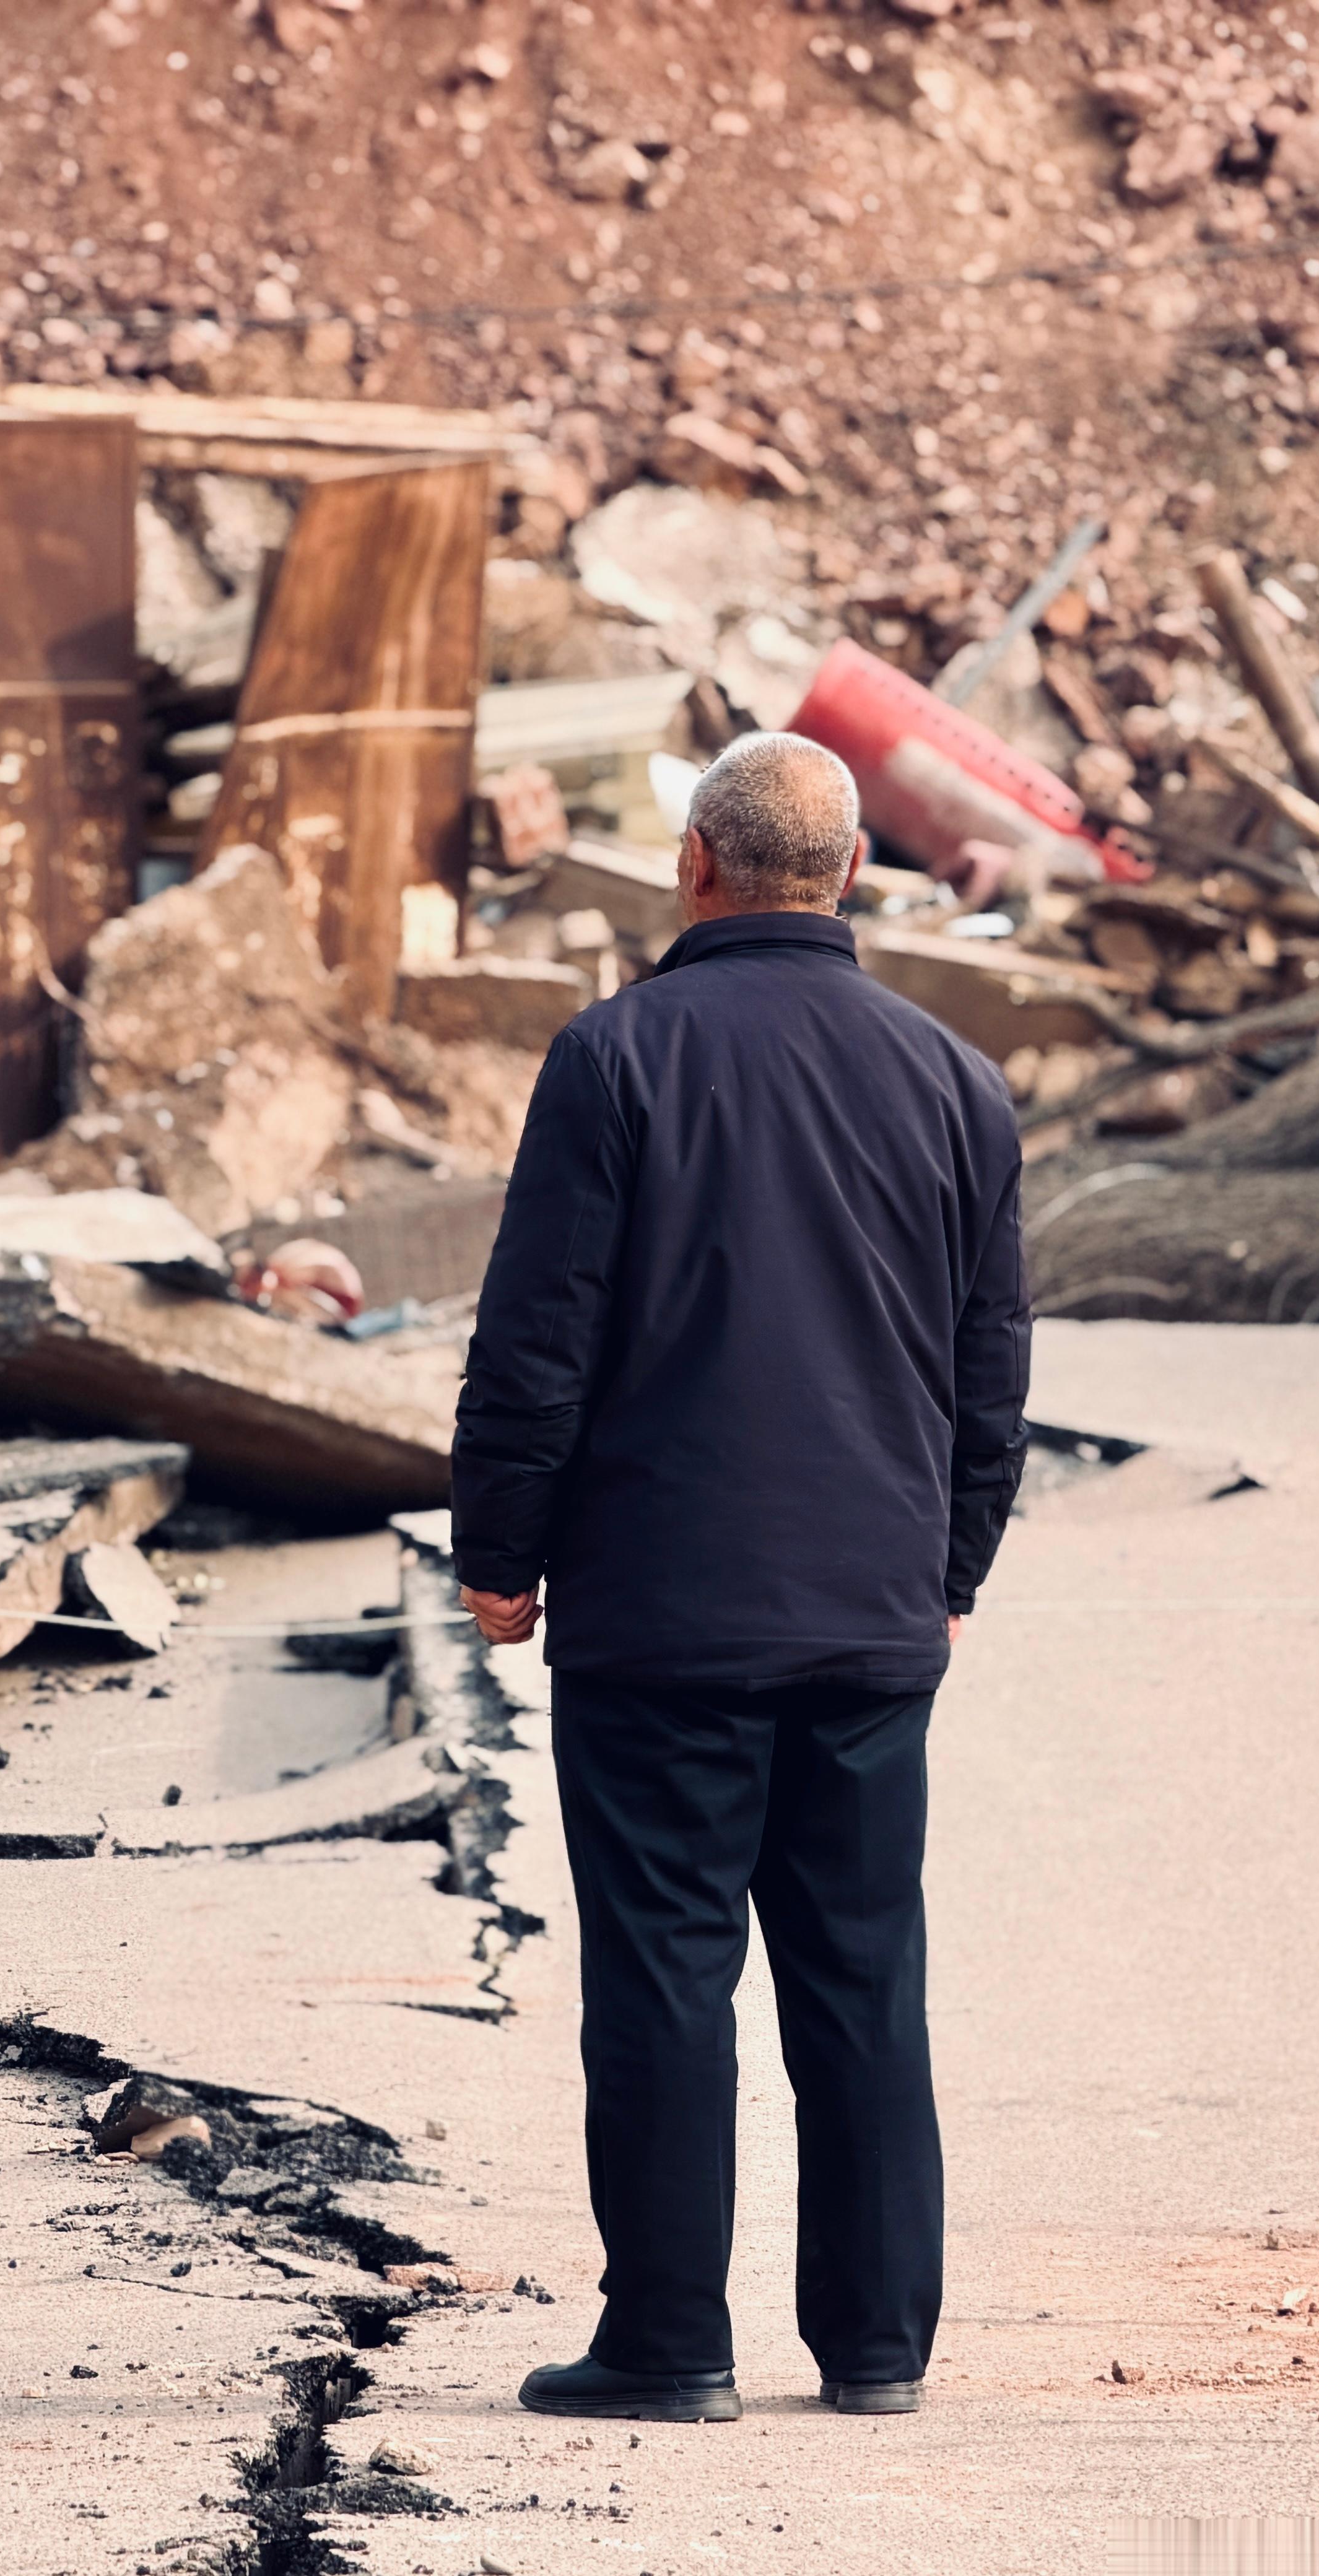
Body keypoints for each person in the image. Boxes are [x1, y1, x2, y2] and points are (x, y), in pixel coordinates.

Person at [450, 731, 1029, 2426]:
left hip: (660, 1618)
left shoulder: (614, 1059)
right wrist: (953, 1567)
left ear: (692, 868)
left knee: (665, 1970)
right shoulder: (952, 1079)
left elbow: (535, 1340)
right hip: (869, 1617)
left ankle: (669, 2341)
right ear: (853, 873)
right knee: (860, 1974)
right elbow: (991, 1368)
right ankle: (875, 2344)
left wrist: (502, 1549)